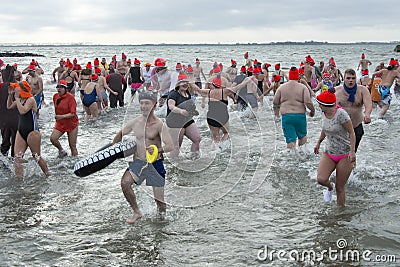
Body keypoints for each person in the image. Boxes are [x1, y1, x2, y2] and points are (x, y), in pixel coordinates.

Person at [112, 91, 174, 224]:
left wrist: (158, 150)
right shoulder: (134, 123)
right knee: (125, 183)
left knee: (160, 203)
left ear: (154, 105)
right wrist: (113, 150)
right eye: (141, 103)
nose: (144, 106)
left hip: (155, 164)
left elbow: (170, 146)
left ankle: (162, 224)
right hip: (138, 162)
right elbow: (120, 135)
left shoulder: (159, 125)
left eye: (147, 103)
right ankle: (136, 211)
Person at [314, 91, 356, 206]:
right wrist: (318, 142)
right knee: (321, 179)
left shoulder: (341, 114)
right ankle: (329, 187)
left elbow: (351, 132)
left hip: (344, 154)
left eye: (319, 104)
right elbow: (325, 128)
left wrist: (352, 152)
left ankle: (340, 216)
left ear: (326, 105)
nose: (318, 106)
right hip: (329, 152)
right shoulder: (324, 113)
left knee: (340, 187)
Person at [6, 81, 50, 178]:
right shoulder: (20, 100)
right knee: (17, 158)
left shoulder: (30, 99)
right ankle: (19, 181)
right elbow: (9, 107)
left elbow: (23, 111)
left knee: (36, 157)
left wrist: (16, 98)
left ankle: (48, 174)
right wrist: (10, 95)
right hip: (21, 131)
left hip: (32, 131)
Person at [272, 67, 315, 154]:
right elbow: (308, 102)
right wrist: (312, 111)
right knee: (302, 137)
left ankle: (291, 160)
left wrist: (276, 113)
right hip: (300, 116)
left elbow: (275, 102)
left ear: (289, 75)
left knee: (290, 140)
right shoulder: (303, 87)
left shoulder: (281, 88)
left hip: (286, 117)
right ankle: (302, 157)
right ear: (298, 76)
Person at [335, 69, 372, 152]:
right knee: (340, 151)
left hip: (356, 125)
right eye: (348, 78)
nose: (351, 80)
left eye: (353, 78)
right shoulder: (336, 91)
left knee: (352, 151)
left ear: (356, 79)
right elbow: (328, 107)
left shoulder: (362, 90)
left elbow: (368, 104)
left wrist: (367, 114)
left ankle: (351, 164)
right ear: (343, 79)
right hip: (341, 126)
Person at [166, 74, 201, 159]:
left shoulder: (188, 92)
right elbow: (171, 106)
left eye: (186, 82)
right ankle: (173, 165)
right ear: (178, 84)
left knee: (197, 139)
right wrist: (181, 111)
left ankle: (193, 159)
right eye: (182, 82)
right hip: (175, 122)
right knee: (176, 146)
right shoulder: (173, 93)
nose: (185, 84)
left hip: (187, 120)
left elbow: (199, 90)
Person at [50, 80, 79, 157]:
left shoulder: (71, 98)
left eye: (61, 87)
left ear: (65, 89)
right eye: (58, 87)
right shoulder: (55, 96)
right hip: (61, 123)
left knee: (72, 146)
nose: (59, 89)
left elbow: (73, 113)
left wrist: (61, 116)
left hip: (71, 123)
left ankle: (75, 163)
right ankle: (61, 150)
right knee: (53, 139)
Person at [0, 65, 19, 157]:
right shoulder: (18, 86)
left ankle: (3, 161)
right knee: (16, 142)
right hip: (16, 118)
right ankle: (14, 162)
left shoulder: (1, 86)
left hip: (4, 118)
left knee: (5, 141)